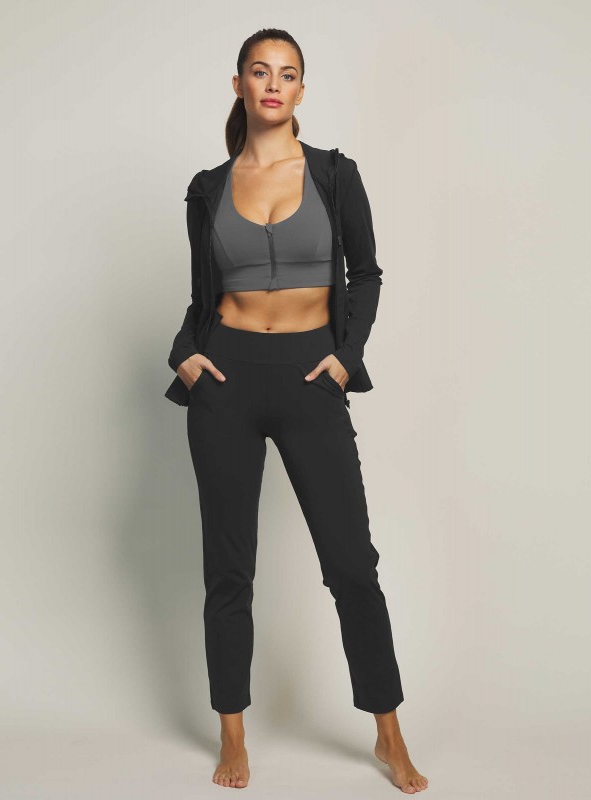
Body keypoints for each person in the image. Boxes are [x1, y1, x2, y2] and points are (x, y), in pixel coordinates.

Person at [165, 28, 429, 794]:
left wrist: (345, 356)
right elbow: (200, 296)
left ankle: (389, 735)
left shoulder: (336, 175)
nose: (273, 84)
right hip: (226, 380)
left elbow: (366, 273)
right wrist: (184, 353)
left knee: (352, 566)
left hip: (312, 374)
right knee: (229, 571)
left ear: (301, 91)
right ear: (240, 85)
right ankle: (233, 737)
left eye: (287, 74)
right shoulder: (207, 188)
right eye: (260, 71)